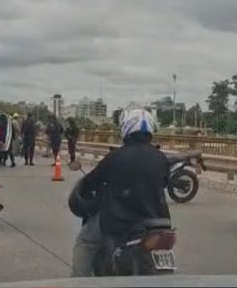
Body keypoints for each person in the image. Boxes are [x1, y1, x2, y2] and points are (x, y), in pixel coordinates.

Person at [70, 108, 169, 274]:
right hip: (158, 220)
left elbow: (92, 181)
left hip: (122, 220)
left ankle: (78, 285)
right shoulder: (161, 158)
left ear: (127, 128)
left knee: (85, 242)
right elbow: (164, 183)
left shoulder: (116, 157)